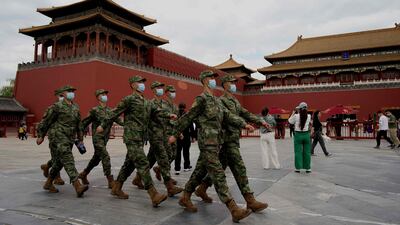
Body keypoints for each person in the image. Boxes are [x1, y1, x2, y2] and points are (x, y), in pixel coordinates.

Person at [168, 70, 256, 223]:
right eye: (211, 78)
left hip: (216, 143)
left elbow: (228, 116)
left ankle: (185, 196)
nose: (214, 80)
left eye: (214, 78)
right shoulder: (201, 99)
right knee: (218, 174)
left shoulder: (216, 101)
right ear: (205, 81)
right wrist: (175, 133)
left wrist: (244, 124)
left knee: (199, 171)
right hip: (207, 143)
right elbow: (188, 117)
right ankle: (233, 209)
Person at [194, 74, 269, 213]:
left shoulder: (234, 101)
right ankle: (249, 200)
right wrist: (244, 125)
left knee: (217, 168)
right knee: (239, 168)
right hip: (227, 141)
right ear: (225, 85)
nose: (234, 84)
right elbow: (228, 118)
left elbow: (245, 113)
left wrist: (261, 121)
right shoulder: (221, 101)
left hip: (232, 139)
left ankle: (202, 187)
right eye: (231, 82)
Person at [96, 76, 167, 207]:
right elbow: (114, 112)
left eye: (142, 82)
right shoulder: (129, 100)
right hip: (131, 137)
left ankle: (116, 188)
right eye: (139, 82)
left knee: (129, 164)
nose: (142, 85)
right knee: (143, 162)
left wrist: (169, 115)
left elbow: (156, 112)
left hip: (140, 138)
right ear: (133, 85)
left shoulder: (146, 101)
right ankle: (153, 194)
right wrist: (103, 124)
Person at [131, 81, 183, 196]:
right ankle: (169, 186)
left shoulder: (166, 104)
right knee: (164, 158)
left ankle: (138, 178)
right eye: (158, 87)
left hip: (163, 135)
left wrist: (177, 131)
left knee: (151, 159)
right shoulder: (150, 103)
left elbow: (171, 119)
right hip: (155, 136)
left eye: (161, 87)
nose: (160, 89)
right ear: (153, 90)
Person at [36, 85, 89, 197]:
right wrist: (40, 135)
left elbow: (79, 124)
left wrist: (80, 139)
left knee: (59, 162)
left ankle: (48, 183)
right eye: (69, 91)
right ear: (63, 93)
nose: (71, 93)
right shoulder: (57, 106)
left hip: (69, 137)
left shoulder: (75, 107)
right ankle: (77, 185)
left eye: (72, 91)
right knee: (67, 158)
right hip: (58, 136)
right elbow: (46, 121)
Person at [78, 89, 124, 189]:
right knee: (105, 156)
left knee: (96, 159)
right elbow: (83, 123)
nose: (104, 96)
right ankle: (110, 180)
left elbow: (121, 122)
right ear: (98, 97)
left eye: (105, 94)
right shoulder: (94, 110)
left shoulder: (111, 111)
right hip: (97, 138)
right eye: (102, 94)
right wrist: (80, 138)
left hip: (105, 139)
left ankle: (84, 173)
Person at [38, 88, 66, 186]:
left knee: (61, 157)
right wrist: (41, 135)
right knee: (56, 157)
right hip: (54, 136)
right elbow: (44, 122)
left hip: (66, 137)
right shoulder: (52, 108)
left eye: (64, 95)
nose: (63, 97)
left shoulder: (70, 108)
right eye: (61, 96)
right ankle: (57, 177)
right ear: (57, 96)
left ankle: (46, 166)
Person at [288, 102, 312, 173]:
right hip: (306, 135)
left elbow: (290, 121)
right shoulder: (309, 116)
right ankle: (308, 168)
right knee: (307, 152)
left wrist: (293, 113)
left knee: (298, 152)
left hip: (298, 135)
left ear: (300, 109)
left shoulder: (296, 116)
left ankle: (298, 168)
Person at [174, 103, 195, 175]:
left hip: (177, 136)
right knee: (186, 152)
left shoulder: (175, 114)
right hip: (186, 136)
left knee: (177, 153)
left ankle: (177, 169)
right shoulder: (187, 114)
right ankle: (186, 167)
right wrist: (193, 137)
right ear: (185, 107)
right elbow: (191, 126)